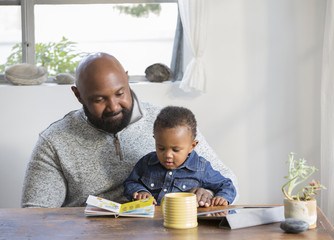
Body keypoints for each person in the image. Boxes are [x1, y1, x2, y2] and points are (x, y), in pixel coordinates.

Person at [21, 52, 238, 208]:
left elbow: (227, 179)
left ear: (126, 78)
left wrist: (207, 192)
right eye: (99, 99)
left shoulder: (170, 124)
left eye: (119, 93)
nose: (114, 107)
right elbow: (35, 215)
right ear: (78, 95)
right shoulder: (55, 141)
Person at [124, 106, 236, 206]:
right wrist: (140, 192)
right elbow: (130, 182)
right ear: (155, 140)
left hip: (184, 222)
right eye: (161, 148)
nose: (167, 155)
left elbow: (226, 185)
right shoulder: (146, 162)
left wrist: (222, 198)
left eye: (176, 150)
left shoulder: (201, 168)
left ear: (192, 146)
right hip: (152, 223)